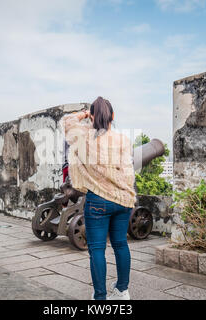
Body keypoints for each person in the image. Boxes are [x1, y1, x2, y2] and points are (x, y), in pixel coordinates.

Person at [62, 97, 136, 300]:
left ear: (93, 117)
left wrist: (84, 114)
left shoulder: (84, 137)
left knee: (97, 249)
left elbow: (67, 122)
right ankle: (122, 290)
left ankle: (100, 297)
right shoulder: (123, 139)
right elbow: (128, 172)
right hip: (123, 199)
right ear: (113, 116)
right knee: (121, 244)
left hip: (98, 200)